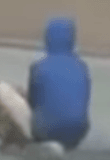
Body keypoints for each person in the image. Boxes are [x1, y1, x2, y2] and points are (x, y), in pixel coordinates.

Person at [27, 17, 91, 151]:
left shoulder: (39, 66)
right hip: (78, 129)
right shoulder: (81, 66)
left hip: (47, 130)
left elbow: (32, 101)